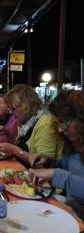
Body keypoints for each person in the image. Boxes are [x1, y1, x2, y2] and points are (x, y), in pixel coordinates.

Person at [28, 90, 84, 219]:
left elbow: (68, 177)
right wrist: (49, 162)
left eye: (63, 123)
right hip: (71, 207)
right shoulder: (75, 143)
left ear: (80, 119)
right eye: (57, 124)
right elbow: (71, 166)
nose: (59, 129)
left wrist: (56, 174)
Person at [0, 84, 64, 164]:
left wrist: (14, 150)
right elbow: (22, 146)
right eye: (10, 108)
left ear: (26, 105)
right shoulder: (28, 122)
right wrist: (9, 136)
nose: (11, 112)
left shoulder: (45, 123)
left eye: (13, 108)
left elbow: (44, 163)